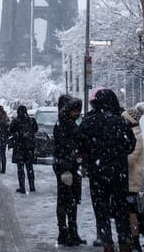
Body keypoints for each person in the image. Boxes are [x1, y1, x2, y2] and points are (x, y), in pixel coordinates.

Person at [78, 89, 137, 252]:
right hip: (119, 173)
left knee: (101, 210)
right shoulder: (120, 121)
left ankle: (107, 244)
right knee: (121, 210)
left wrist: (91, 157)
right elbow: (130, 145)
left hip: (97, 173)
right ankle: (124, 243)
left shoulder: (88, 121)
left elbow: (80, 145)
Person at [52, 95, 85, 247]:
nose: (77, 113)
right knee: (66, 199)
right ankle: (65, 232)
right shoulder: (63, 125)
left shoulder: (68, 123)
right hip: (66, 168)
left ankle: (70, 231)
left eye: (78, 111)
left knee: (70, 200)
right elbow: (64, 147)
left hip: (70, 166)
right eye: (74, 111)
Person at [121, 104, 144, 251]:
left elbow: (130, 158)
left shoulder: (137, 135)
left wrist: (118, 158)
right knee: (130, 211)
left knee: (131, 212)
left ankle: (134, 240)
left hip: (131, 181)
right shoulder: (134, 133)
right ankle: (132, 239)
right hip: (130, 180)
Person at [7, 105, 38, 193]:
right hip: (29, 147)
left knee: (20, 169)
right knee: (29, 167)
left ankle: (22, 187)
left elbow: (10, 131)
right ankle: (32, 186)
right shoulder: (31, 120)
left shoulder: (15, 121)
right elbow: (35, 130)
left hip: (19, 147)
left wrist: (17, 134)